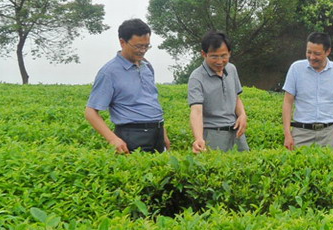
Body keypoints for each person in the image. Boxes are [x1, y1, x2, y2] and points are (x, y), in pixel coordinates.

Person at [85, 19, 171, 154]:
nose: (143, 51)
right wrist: (113, 139)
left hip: (157, 133)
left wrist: (163, 132)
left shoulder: (147, 66)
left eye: (146, 46)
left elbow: (151, 101)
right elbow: (91, 112)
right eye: (138, 46)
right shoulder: (109, 72)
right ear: (122, 42)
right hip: (132, 135)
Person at [282, 32, 333, 150]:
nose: (311, 57)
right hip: (301, 133)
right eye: (309, 52)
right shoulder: (296, 69)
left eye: (317, 54)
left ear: (328, 51)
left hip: (329, 134)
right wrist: (287, 134)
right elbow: (287, 102)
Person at [187, 30, 249, 153]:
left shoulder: (231, 69)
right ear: (204, 54)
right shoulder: (196, 77)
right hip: (213, 135)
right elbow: (196, 111)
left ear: (229, 53)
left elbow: (236, 97)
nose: (220, 61)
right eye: (214, 56)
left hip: (236, 134)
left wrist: (242, 115)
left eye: (224, 56)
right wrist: (198, 138)